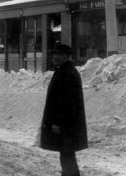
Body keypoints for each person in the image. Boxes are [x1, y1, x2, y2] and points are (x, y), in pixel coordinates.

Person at [39, 44, 88, 176]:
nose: (56, 57)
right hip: (68, 124)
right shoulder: (63, 70)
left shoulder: (67, 73)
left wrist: (58, 123)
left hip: (66, 124)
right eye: (54, 54)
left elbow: (66, 102)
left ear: (67, 56)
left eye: (60, 54)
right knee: (66, 153)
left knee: (67, 153)